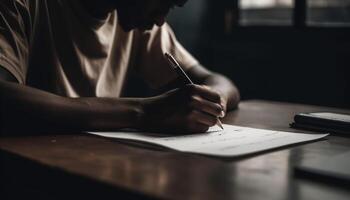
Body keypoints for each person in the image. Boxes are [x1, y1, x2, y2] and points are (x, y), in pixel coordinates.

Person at [0, 0, 240, 134]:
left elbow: (217, 81)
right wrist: (143, 112)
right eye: (164, 3)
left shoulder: (141, 22)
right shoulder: (22, 5)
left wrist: (214, 98)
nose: (160, 19)